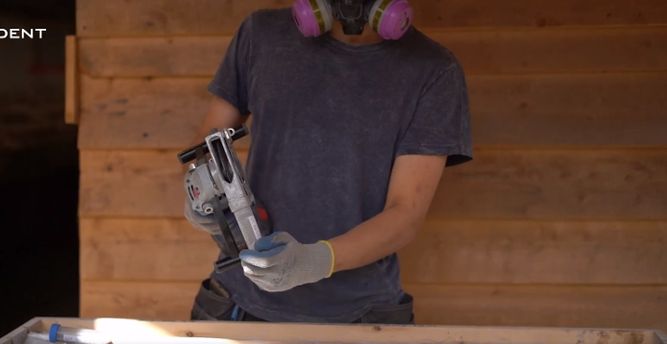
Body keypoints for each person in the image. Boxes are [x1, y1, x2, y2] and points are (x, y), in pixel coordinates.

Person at [183, 0, 472, 325]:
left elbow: (405, 214)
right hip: (239, 304)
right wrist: (204, 193)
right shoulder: (261, 35)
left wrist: (314, 261)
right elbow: (206, 149)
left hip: (361, 316)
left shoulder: (433, 70)